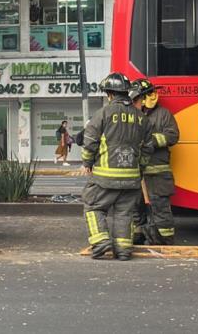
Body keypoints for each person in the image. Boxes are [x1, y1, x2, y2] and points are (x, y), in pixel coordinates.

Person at [80, 73, 154, 260]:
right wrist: (140, 169)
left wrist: (87, 163)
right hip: (131, 179)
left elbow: (90, 141)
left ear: (110, 94)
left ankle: (101, 241)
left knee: (93, 207)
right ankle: (123, 250)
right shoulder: (141, 117)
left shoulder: (103, 114)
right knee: (124, 213)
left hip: (105, 177)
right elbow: (147, 148)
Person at [130, 78, 180, 246]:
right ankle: (138, 236)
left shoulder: (163, 114)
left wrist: (150, 140)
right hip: (136, 173)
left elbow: (173, 136)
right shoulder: (132, 114)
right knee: (135, 208)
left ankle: (164, 240)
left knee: (160, 209)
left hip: (157, 174)